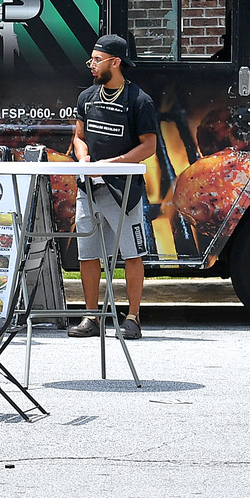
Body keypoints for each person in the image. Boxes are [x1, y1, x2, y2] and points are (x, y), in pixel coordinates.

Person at [67, 33, 159, 340]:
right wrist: (83, 157)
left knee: (132, 254)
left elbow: (149, 146)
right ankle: (91, 316)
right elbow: (79, 136)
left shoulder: (139, 100)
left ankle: (133, 317)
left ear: (115, 62)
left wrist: (115, 163)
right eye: (91, 60)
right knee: (88, 254)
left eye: (97, 59)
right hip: (88, 188)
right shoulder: (86, 97)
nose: (91, 65)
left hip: (123, 190)